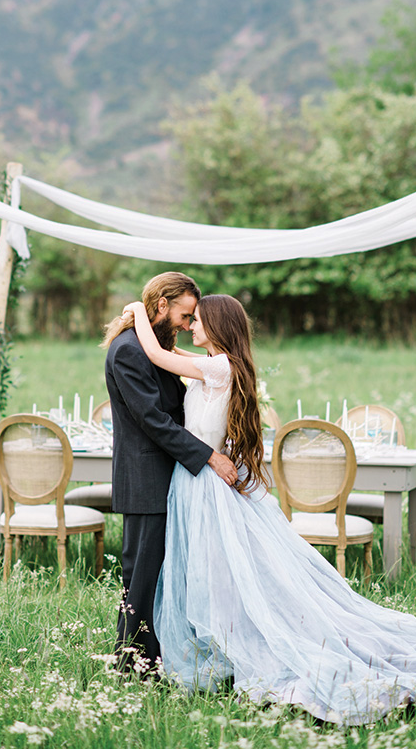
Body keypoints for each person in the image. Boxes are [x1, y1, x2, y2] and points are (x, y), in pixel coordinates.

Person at [122, 292, 416, 725]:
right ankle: (218, 646)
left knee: (215, 571)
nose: (191, 326)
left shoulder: (216, 366)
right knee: (212, 571)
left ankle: (227, 648)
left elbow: (156, 352)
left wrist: (137, 311)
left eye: (197, 320)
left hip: (203, 484)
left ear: (218, 325)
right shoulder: (219, 364)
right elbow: (169, 353)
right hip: (199, 482)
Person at [103, 272, 237, 673]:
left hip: (171, 479)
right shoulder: (129, 350)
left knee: (164, 575)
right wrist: (210, 457)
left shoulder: (155, 346)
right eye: (184, 314)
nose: (186, 324)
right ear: (161, 306)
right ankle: (132, 663)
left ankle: (161, 657)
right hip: (146, 480)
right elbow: (154, 421)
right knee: (142, 577)